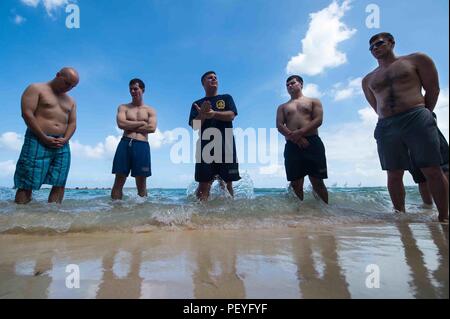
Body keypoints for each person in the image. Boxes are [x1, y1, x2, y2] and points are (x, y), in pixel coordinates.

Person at [362, 32, 448, 222]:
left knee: (431, 168)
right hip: (386, 125)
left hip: (416, 116)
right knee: (393, 173)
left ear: (392, 43)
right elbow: (375, 105)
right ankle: (400, 216)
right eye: (371, 47)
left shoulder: (417, 59)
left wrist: (424, 113)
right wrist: (388, 118)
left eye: (379, 43)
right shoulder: (368, 79)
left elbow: (433, 88)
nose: (375, 48)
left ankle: (444, 216)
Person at [14, 67, 79, 204]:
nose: (69, 88)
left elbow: (72, 123)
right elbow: (27, 114)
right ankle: (20, 221)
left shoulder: (71, 101)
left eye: (73, 86)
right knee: (27, 182)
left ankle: (52, 219)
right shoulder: (36, 88)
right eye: (67, 83)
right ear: (58, 75)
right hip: (37, 139)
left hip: (62, 144)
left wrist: (65, 139)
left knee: (59, 182)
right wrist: (43, 137)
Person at [188, 71, 241, 201]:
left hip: (226, 146)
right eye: (210, 78)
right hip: (205, 148)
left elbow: (231, 115)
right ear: (203, 83)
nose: (213, 79)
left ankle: (229, 218)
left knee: (228, 185)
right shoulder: (197, 103)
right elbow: (195, 126)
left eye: (215, 77)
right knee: (203, 185)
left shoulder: (227, 98)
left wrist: (213, 114)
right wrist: (202, 114)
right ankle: (201, 218)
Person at [276, 75, 329, 203]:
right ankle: (299, 214)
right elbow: (279, 125)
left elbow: (318, 120)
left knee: (317, 181)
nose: (289, 86)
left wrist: (300, 133)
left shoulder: (313, 101)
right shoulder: (282, 107)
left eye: (292, 83)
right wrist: (297, 138)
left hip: (312, 143)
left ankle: (325, 212)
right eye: (287, 85)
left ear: (301, 84)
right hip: (292, 145)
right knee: (295, 182)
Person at [111, 79, 157, 200]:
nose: (133, 91)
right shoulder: (123, 107)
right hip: (125, 143)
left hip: (142, 145)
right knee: (119, 180)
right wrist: (141, 123)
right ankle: (115, 211)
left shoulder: (150, 110)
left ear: (143, 90)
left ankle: (141, 214)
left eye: (136, 88)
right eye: (131, 89)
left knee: (141, 183)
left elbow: (152, 128)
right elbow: (121, 124)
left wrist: (130, 124)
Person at [409, 115, 449, 207]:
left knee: (444, 169)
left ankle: (442, 208)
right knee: (420, 177)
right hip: (403, 128)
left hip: (422, 119)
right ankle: (428, 208)